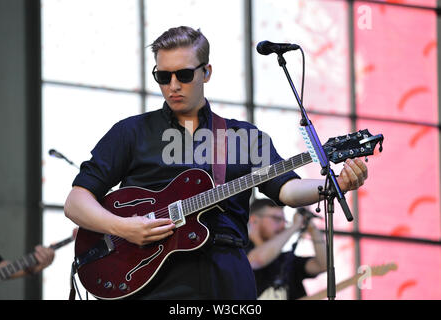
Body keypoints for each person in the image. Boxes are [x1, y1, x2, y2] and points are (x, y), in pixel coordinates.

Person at [64, 25, 368, 300]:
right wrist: (124, 227)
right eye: (162, 76)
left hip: (225, 274)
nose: (172, 85)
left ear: (206, 72)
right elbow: (76, 201)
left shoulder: (242, 136)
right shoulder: (130, 132)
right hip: (147, 276)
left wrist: (334, 184)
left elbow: (287, 190)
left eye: (183, 75)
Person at [246, 198, 326, 299]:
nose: (283, 226)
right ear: (254, 220)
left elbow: (323, 265)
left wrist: (313, 230)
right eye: (277, 219)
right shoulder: (238, 252)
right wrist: (295, 226)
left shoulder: (285, 258)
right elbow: (257, 260)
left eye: (284, 221)